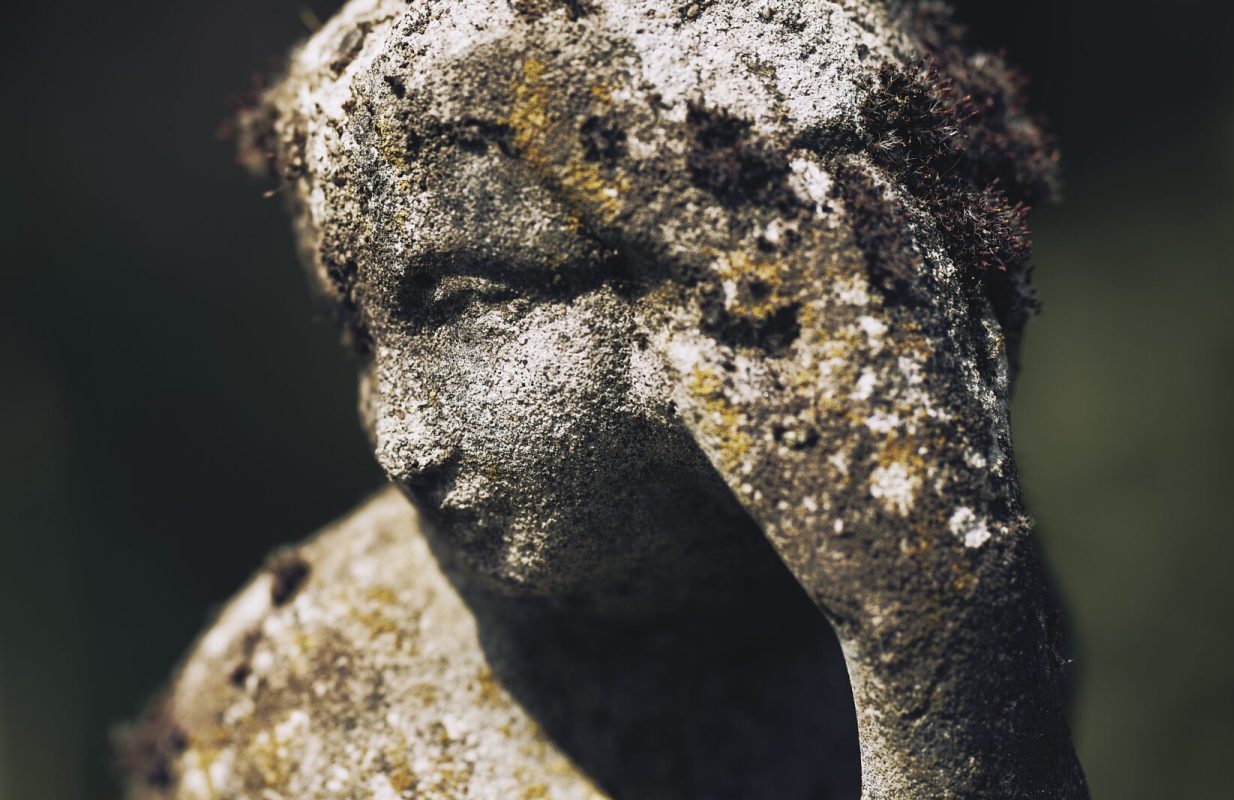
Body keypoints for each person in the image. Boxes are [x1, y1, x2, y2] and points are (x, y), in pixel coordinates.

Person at [123, 1, 1086, 797]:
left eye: (473, 303)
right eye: (364, 337)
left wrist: (929, 633)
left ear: (727, 304)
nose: (404, 442)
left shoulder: (942, 609)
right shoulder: (307, 705)